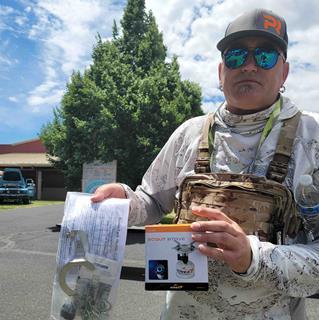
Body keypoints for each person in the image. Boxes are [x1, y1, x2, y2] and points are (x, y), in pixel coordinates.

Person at [91, 8, 319, 319]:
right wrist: (123, 201)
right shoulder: (190, 132)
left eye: (265, 56)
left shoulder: (312, 137)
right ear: (221, 71)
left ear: (285, 72)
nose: (250, 65)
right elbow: (151, 200)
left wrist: (254, 258)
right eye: (236, 56)